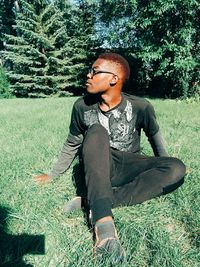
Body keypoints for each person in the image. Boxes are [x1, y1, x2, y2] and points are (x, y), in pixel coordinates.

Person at [35, 53, 186, 264]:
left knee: (176, 167)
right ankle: (104, 226)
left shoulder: (141, 106)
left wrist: (162, 164)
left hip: (129, 164)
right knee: (96, 131)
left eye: (95, 71)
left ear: (114, 78)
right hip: (98, 164)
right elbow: (72, 143)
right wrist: (53, 175)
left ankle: (95, 200)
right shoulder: (82, 107)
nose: (88, 75)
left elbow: (155, 138)